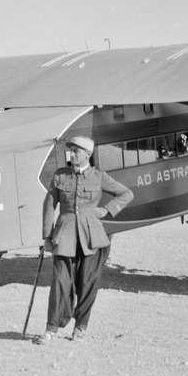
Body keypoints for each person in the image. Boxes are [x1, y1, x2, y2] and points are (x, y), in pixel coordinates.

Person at [37, 136, 133, 344]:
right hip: (64, 237)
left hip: (92, 238)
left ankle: (80, 326)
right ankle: (51, 328)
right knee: (60, 282)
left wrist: (107, 210)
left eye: (76, 151)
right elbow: (49, 205)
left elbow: (126, 194)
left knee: (88, 284)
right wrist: (47, 235)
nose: (72, 154)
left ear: (87, 155)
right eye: (71, 151)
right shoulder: (60, 176)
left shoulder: (99, 176)